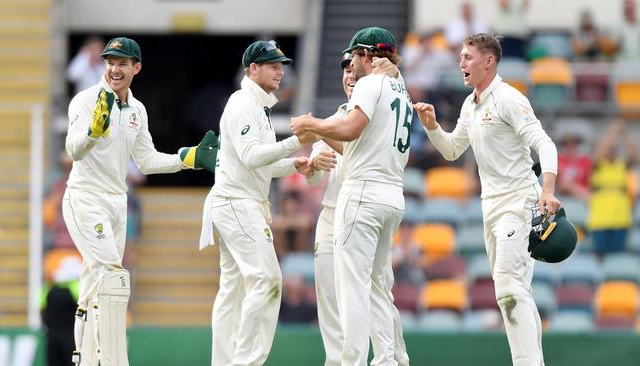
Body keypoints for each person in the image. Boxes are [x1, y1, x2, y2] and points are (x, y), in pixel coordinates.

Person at [63, 36, 217, 366]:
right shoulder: (85, 101)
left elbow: (146, 160)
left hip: (118, 203)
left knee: (93, 281)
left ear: (137, 67)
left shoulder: (137, 110)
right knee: (112, 275)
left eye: (122, 63)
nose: (115, 69)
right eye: (110, 62)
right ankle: (115, 360)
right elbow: (73, 149)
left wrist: (187, 158)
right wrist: (93, 130)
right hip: (85, 198)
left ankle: (85, 359)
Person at [413, 33, 560, 366]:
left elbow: (545, 144)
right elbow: (452, 151)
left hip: (520, 202)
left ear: (488, 61)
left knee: (508, 288)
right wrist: (434, 127)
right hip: (490, 207)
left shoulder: (509, 98)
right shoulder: (470, 104)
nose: (461, 63)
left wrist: (548, 189)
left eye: (467, 57)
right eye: (461, 57)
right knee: (515, 290)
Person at [291, 26, 411, 366]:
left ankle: (355, 362)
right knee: (372, 289)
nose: (351, 69)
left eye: (354, 59)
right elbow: (353, 141)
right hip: (389, 197)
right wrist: (315, 156)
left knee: (353, 290)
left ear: (367, 56)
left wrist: (311, 124)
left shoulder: (371, 85)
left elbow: (351, 130)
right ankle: (389, 359)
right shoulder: (399, 88)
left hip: (361, 197)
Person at [206, 40, 316, 366]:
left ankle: (225, 362)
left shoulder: (258, 106)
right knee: (267, 281)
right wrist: (298, 141)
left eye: (281, 64)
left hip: (237, 202)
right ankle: (246, 361)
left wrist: (294, 163)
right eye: (273, 65)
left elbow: (261, 165)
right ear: (252, 69)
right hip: (238, 204)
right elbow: (252, 157)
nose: (281, 71)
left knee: (233, 291)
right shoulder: (243, 104)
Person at [587, 119, 638, 256]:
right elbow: (599, 153)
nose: (610, 150)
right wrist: (613, 131)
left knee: (619, 257)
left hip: (620, 219)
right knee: (600, 255)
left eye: (614, 149)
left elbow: (634, 155)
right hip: (600, 219)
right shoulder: (598, 166)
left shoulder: (622, 165)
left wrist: (624, 134)